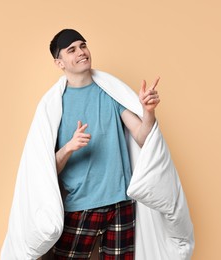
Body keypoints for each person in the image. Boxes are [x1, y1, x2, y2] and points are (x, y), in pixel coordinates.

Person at [49, 29, 160, 259]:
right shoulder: (54, 106)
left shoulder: (111, 92)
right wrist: (69, 147)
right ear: (59, 62)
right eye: (72, 49)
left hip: (121, 204)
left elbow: (141, 136)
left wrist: (148, 113)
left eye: (83, 45)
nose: (81, 52)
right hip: (80, 205)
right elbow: (47, 170)